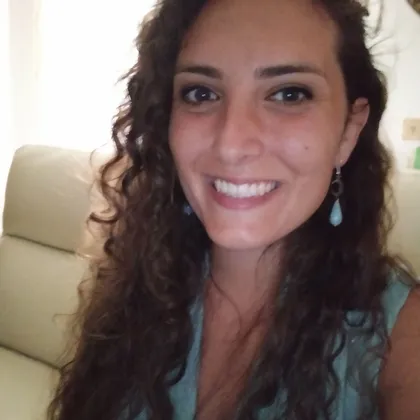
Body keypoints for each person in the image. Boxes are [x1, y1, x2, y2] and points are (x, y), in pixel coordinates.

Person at [48, 0, 420, 419]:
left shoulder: (403, 337)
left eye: (289, 94)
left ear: (348, 132)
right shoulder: (135, 289)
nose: (231, 144)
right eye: (201, 93)